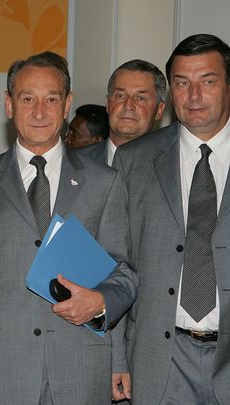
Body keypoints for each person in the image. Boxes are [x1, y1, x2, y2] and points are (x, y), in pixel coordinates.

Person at [0, 51, 139, 404]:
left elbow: (123, 273)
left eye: (51, 99)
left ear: (67, 104)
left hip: (81, 369)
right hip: (0, 373)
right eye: (27, 99)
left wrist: (101, 305)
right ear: (8, 104)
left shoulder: (105, 182)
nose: (39, 112)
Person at [115, 33, 230, 405]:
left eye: (207, 81)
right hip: (159, 361)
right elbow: (117, 265)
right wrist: (117, 357)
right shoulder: (134, 161)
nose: (193, 96)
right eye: (182, 83)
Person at [79, 59, 166, 164]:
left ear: (159, 110)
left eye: (140, 98)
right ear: (108, 103)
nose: (128, 106)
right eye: (120, 96)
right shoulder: (74, 162)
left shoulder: (171, 168)